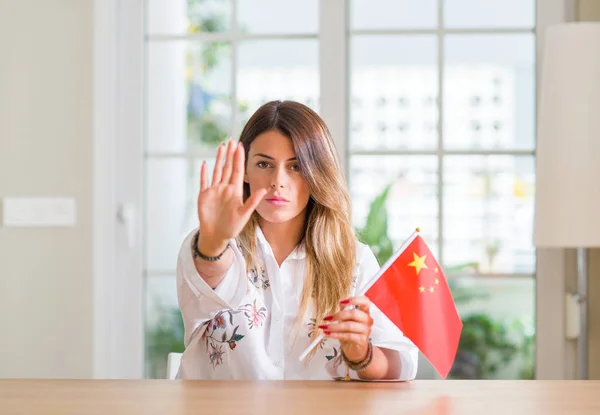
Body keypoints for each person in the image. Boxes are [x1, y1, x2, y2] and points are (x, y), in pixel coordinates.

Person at [175, 100, 418, 380]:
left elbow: (399, 366)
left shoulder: (354, 259)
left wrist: (361, 353)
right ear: (244, 171)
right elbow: (213, 270)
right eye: (264, 164)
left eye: (296, 166)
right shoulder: (208, 245)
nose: (278, 180)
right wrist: (215, 242)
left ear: (318, 174)